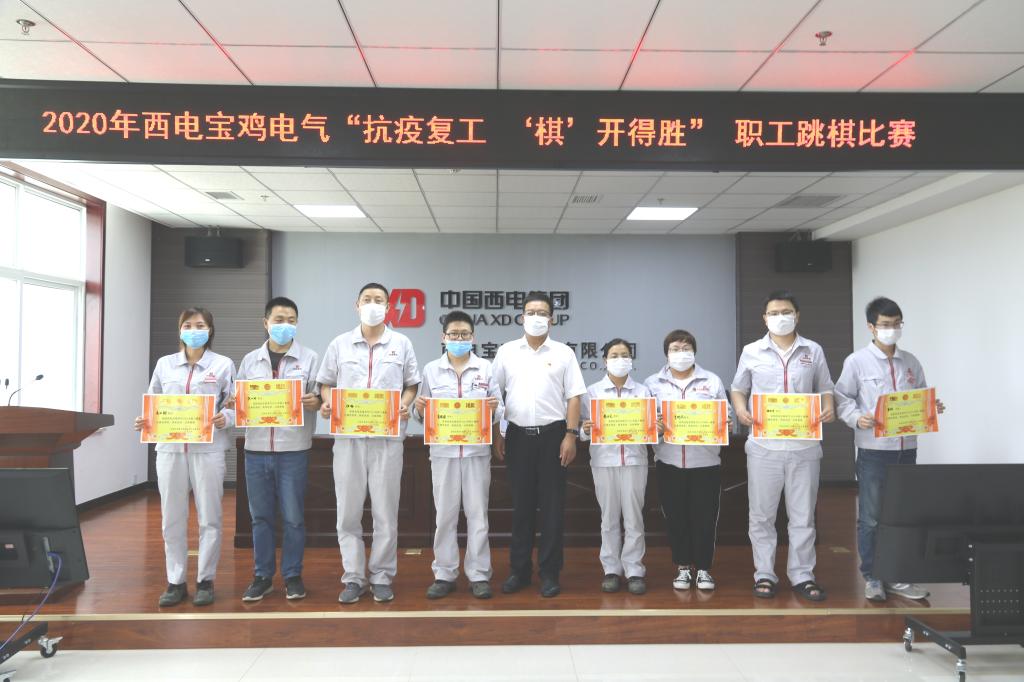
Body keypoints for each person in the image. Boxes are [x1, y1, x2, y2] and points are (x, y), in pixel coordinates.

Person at [835, 296, 945, 602]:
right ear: (871, 327)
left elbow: (919, 396)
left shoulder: (910, 362)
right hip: (873, 450)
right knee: (871, 517)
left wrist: (931, 407)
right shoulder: (857, 362)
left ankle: (897, 575)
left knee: (902, 516)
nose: (891, 329)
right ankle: (873, 576)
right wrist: (857, 418)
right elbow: (842, 398)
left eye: (897, 324)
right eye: (885, 324)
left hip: (906, 449)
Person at [317, 283, 420, 604]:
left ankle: (382, 576)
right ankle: (353, 577)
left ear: (388, 308)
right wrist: (327, 402)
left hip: (387, 439)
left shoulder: (401, 344)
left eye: (379, 300)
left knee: (385, 511)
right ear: (357, 305)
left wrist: (405, 404)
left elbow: (412, 385)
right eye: (367, 299)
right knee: (347, 512)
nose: (372, 304)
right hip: (348, 439)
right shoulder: (339, 344)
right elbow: (325, 384)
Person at [730, 291, 835, 602]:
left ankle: (802, 575)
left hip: (804, 447)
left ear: (797, 316)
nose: (780, 317)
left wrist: (828, 407)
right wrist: (740, 410)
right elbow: (738, 389)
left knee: (803, 516)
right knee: (761, 516)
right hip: (764, 447)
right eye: (774, 313)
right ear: (765, 318)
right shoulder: (751, 351)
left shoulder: (813, 350)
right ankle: (764, 573)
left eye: (786, 311)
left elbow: (825, 388)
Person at [134, 307, 235, 607]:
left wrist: (226, 418)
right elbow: (153, 401)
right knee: (172, 518)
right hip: (170, 450)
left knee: (210, 518)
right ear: (179, 330)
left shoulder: (223, 364)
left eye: (200, 325)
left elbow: (233, 404)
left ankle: (205, 580)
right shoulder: (165, 364)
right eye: (188, 325)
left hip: (209, 450)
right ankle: (175, 581)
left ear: (210, 330)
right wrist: (144, 421)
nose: (194, 330)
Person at [492, 291, 586, 598]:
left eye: (542, 313)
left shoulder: (563, 353)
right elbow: (495, 396)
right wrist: (498, 433)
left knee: (552, 508)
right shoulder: (507, 352)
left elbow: (574, 396)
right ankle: (519, 571)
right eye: (530, 312)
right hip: (517, 436)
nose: (536, 317)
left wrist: (570, 434)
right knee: (521, 508)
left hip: (554, 437)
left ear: (551, 319)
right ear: (521, 317)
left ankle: (549, 573)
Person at [236, 297, 321, 602]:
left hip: (293, 450)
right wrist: (234, 405)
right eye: (279, 319)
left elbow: (320, 398)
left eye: (291, 320)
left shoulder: (310, 358)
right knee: (260, 517)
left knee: (293, 517)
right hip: (256, 450)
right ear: (266, 323)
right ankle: (262, 576)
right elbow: (239, 402)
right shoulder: (250, 361)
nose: (285, 325)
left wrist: (316, 401)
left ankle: (293, 576)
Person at [413, 310, 503, 600]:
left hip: (477, 452)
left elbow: (501, 408)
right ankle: (444, 573)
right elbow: (420, 412)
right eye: (454, 334)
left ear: (473, 337)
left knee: (478, 515)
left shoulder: (486, 368)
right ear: (444, 337)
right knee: (445, 516)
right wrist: (419, 409)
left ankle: (479, 574)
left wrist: (494, 410)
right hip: (443, 454)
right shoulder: (431, 370)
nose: (459, 338)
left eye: (464, 334)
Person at [645, 330, 731, 593]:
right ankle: (683, 567)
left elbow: (726, 413)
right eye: (675, 348)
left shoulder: (712, 381)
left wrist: (724, 422)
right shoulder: (652, 383)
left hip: (705, 462)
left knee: (705, 517)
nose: (680, 353)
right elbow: (646, 422)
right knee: (676, 517)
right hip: (668, 461)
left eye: (686, 348)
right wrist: (656, 426)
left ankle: (704, 568)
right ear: (666, 353)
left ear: (694, 352)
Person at [580, 338, 651, 595]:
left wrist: (656, 428)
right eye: (614, 355)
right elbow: (581, 430)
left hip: (634, 460)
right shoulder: (592, 392)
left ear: (631, 359)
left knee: (634, 518)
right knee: (608, 518)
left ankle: (634, 570)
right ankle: (611, 569)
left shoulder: (643, 392)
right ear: (604, 360)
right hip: (603, 460)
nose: (620, 359)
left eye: (624, 355)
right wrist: (585, 429)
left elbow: (652, 430)